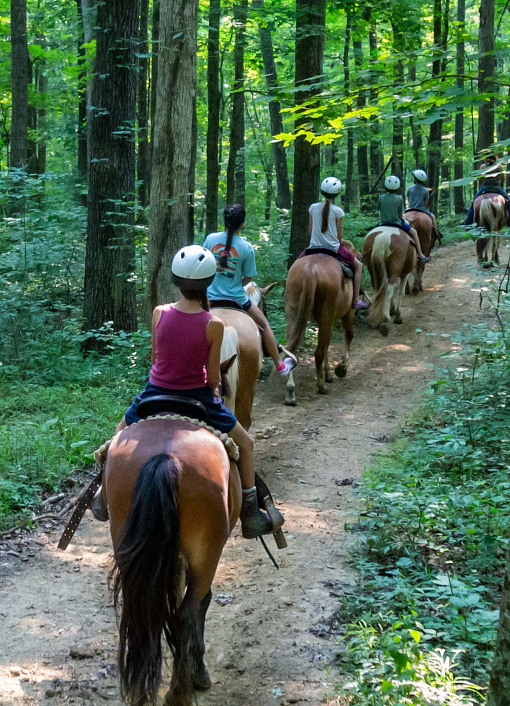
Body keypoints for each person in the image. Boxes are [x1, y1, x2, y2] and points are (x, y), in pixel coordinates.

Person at [97, 244, 283, 539]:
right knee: (246, 444)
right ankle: (249, 512)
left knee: (116, 438)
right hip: (198, 398)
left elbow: (156, 358)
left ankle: (101, 492)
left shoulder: (159, 313)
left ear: (176, 281)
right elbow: (211, 376)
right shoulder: (214, 324)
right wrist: (216, 390)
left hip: (153, 393)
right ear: (209, 283)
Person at [205, 203, 294, 378]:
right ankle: (279, 365)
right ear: (242, 223)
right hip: (237, 299)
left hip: (208, 298)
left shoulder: (210, 239)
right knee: (264, 324)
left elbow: (205, 266)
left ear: (225, 220)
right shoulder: (246, 247)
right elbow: (247, 279)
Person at [308, 177, 367, 311]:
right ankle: (356, 299)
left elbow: (310, 230)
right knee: (358, 266)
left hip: (312, 248)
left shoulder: (312, 208)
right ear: (337, 194)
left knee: (297, 264)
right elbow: (338, 237)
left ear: (322, 191)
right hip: (333, 249)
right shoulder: (338, 211)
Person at [405, 167, 443, 243]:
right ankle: (436, 233)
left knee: (402, 219)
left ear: (415, 179)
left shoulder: (410, 188)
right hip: (422, 209)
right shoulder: (425, 191)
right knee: (433, 216)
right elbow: (426, 203)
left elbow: (409, 200)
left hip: (410, 209)